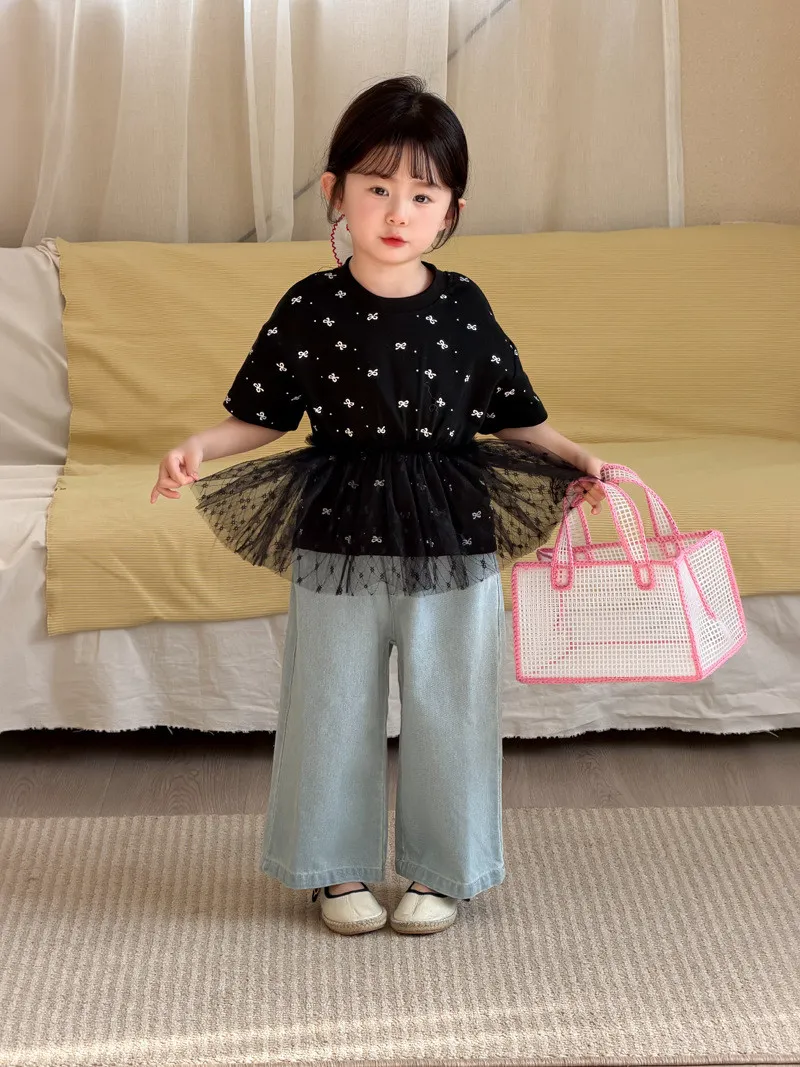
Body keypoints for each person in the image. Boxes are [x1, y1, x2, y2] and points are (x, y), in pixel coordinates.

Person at [151, 75, 607, 937]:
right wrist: (199, 447)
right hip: (338, 532)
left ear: (451, 211)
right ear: (336, 192)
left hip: (453, 534)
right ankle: (334, 870)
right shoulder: (309, 306)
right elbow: (262, 414)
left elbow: (515, 414)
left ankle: (445, 869)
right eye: (378, 187)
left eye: (422, 194)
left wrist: (579, 457)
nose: (399, 211)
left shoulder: (464, 304)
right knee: (328, 705)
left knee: (452, 704)